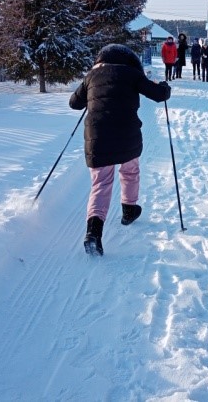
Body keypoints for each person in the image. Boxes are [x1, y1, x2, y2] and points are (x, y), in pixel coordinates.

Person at [69, 44, 171, 256]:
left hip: (97, 137)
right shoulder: (132, 74)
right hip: (126, 135)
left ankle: (93, 232)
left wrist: (91, 92)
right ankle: (129, 210)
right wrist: (164, 87)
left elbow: (74, 104)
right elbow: (159, 94)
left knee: (101, 183)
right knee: (130, 171)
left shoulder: (91, 76)